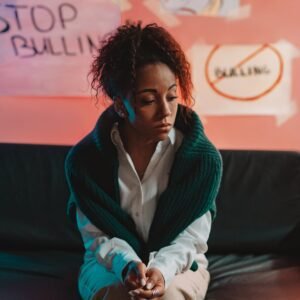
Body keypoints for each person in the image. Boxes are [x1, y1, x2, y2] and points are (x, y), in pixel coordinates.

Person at [65, 20, 223, 300]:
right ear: (119, 105)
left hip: (182, 264)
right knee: (119, 295)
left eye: (172, 96)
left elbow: (191, 239)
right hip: (108, 264)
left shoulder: (203, 160)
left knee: (167, 297)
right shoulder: (85, 161)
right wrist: (127, 265)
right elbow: (96, 237)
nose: (166, 111)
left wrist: (161, 270)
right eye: (148, 100)